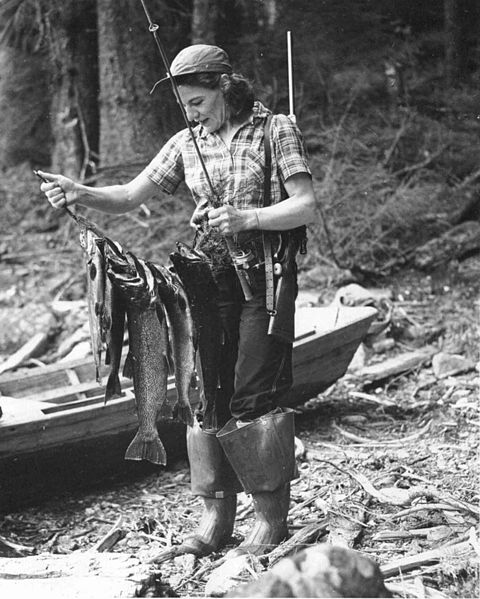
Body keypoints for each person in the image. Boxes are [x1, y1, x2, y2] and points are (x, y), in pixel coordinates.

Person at [39, 44, 316, 559]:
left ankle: (269, 520)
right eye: (185, 105)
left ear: (224, 88)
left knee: (253, 397)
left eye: (196, 102)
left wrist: (247, 219)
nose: (190, 114)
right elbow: (128, 195)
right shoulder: (186, 142)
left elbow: (304, 205)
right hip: (208, 279)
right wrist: (77, 191)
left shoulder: (275, 129)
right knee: (205, 394)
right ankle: (215, 518)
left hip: (265, 280)